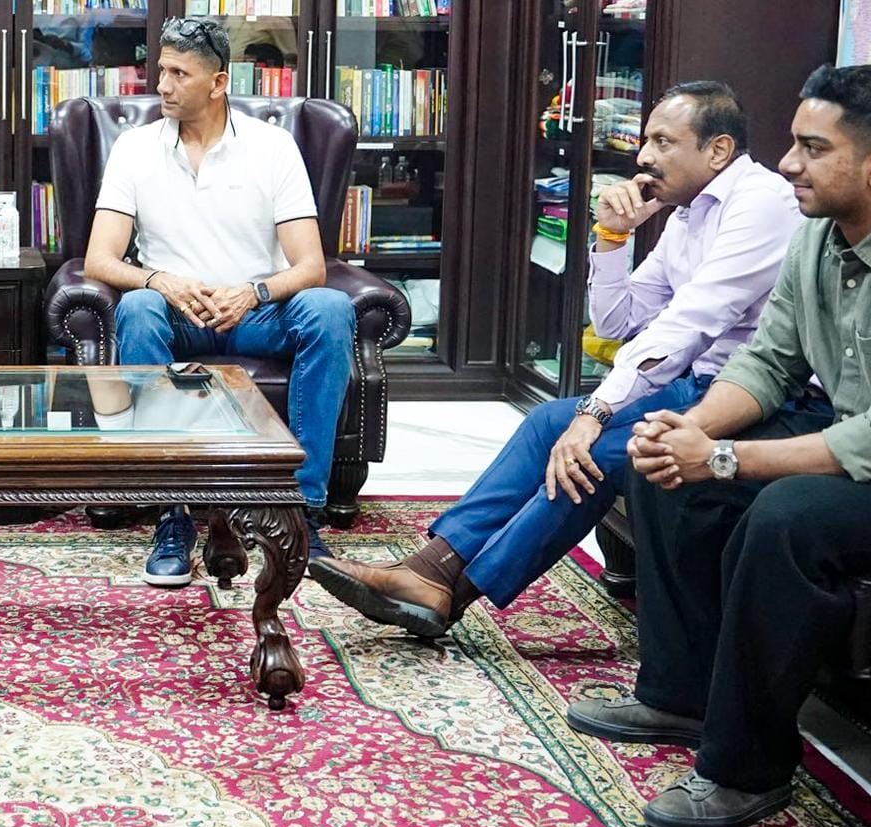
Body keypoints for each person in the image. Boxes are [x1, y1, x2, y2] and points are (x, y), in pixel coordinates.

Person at [567, 64, 871, 827]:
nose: (787, 163)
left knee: (785, 515)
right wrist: (693, 434)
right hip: (851, 436)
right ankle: (677, 695)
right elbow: (767, 363)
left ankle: (744, 769)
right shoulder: (818, 233)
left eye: (811, 147)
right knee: (662, 470)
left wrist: (724, 459)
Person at [309, 83, 801, 636]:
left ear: (718, 150)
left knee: (594, 453)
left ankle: (446, 588)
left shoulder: (761, 204)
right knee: (548, 422)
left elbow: (689, 323)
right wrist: (612, 237)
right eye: (646, 140)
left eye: (663, 142)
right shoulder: (687, 213)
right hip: (692, 383)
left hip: (744, 398)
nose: (643, 156)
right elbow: (618, 322)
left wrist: (596, 411)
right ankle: (433, 569)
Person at [84, 17, 356, 586]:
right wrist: (160, 280)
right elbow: (99, 261)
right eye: (161, 70)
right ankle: (173, 513)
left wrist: (253, 292)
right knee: (136, 308)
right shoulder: (135, 149)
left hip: (256, 312)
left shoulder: (272, 147)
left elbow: (310, 265)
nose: (162, 85)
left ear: (219, 82)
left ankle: (300, 509)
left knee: (331, 310)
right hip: (177, 315)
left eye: (179, 74)